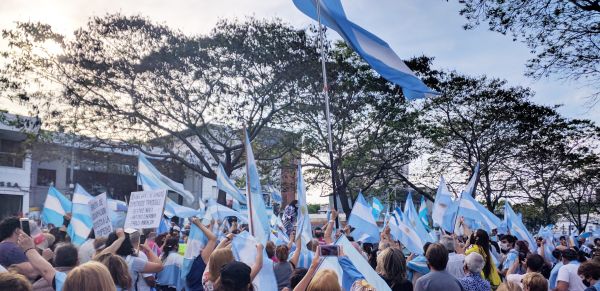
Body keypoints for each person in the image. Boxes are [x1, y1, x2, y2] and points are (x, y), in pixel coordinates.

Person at [186, 217, 218, 291]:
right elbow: (212, 239)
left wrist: (201, 224)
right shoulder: (203, 260)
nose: (202, 248)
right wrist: (199, 224)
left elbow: (210, 240)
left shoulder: (190, 261)